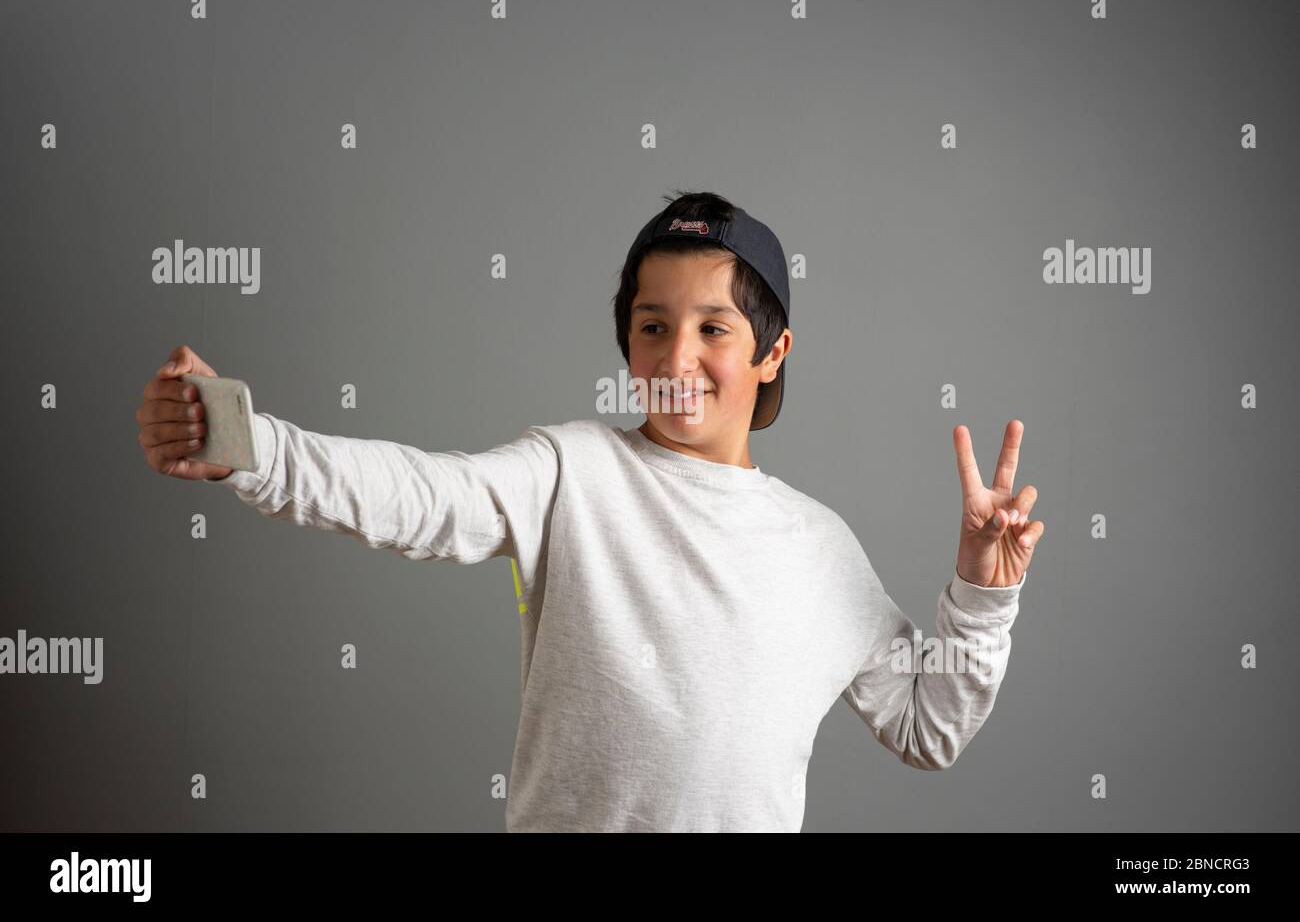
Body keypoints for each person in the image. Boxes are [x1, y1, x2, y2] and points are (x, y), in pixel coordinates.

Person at [135, 189, 1044, 832]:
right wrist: (245, 445)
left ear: (774, 352)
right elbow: (416, 495)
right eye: (653, 326)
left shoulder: (819, 549)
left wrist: (982, 591)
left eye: (713, 328)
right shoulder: (572, 470)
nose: (676, 356)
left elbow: (930, 728)